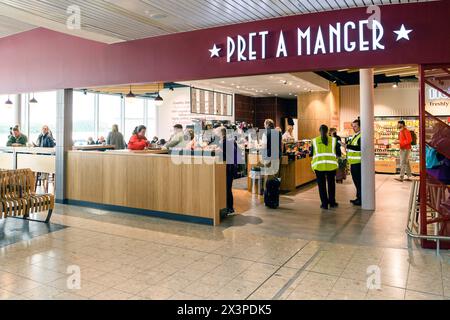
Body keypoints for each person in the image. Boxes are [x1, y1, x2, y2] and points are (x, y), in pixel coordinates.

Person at [311, 125, 341, 210]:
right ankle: (332, 202)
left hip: (319, 166)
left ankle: (324, 204)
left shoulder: (314, 141)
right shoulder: (334, 140)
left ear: (319, 131)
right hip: (331, 166)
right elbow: (338, 154)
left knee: (321, 185)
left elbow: (311, 153)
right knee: (331, 184)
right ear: (328, 131)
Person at [218, 127, 239, 215]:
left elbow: (224, 156)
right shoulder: (230, 141)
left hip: (228, 168)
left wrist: (218, 151)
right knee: (227, 188)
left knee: (227, 188)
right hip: (231, 168)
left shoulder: (224, 142)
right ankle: (229, 207)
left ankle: (230, 208)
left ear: (221, 133)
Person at [342, 119, 362, 206]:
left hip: (358, 163)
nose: (353, 128)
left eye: (355, 126)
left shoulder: (361, 136)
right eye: (353, 126)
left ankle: (360, 199)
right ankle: (358, 198)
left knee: (358, 182)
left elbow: (359, 148)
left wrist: (347, 146)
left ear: (360, 126)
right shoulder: (355, 135)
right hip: (353, 163)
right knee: (356, 182)